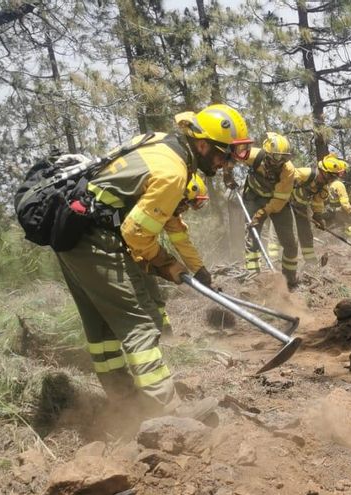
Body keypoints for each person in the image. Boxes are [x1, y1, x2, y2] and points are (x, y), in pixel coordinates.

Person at [55, 103, 251, 416]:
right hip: (95, 236)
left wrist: (195, 268)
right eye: (224, 154)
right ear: (202, 145)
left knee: (101, 329)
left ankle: (123, 403)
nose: (227, 164)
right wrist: (164, 264)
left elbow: (171, 226)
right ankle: (168, 412)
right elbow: (136, 234)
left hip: (73, 231)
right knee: (139, 327)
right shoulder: (173, 173)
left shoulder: (162, 144)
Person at [145, 173, 210, 336]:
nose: (186, 209)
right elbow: (139, 239)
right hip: (121, 252)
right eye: (188, 204)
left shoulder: (171, 212)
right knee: (142, 292)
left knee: (153, 293)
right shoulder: (154, 205)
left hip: (142, 255)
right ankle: (152, 335)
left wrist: (199, 269)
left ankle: (165, 336)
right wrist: (167, 264)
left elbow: (182, 242)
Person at [277, 153, 347, 289]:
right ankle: (284, 272)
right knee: (290, 237)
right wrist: (284, 198)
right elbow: (285, 180)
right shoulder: (305, 174)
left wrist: (318, 217)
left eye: (334, 177)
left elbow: (317, 204)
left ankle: (311, 264)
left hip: (301, 208)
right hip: (285, 205)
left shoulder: (323, 189)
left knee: (307, 236)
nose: (331, 180)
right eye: (331, 176)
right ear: (323, 172)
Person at [233, 132, 296, 276]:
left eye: (284, 158)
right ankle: (253, 276)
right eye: (277, 157)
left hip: (277, 201)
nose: (280, 162)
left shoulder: (288, 170)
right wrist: (227, 174)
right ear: (267, 153)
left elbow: (280, 200)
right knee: (252, 235)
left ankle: (289, 278)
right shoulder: (253, 155)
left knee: (290, 243)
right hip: (254, 197)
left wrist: (263, 213)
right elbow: (231, 157)